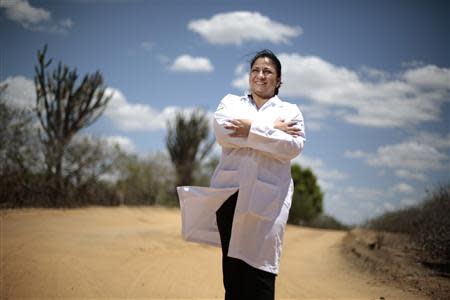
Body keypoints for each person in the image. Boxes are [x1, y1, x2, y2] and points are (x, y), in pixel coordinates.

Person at [177, 49, 306, 300]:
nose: (260, 75)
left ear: (278, 81)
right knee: (233, 277)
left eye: (267, 71)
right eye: (255, 70)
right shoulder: (231, 103)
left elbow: (292, 147)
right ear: (249, 76)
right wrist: (270, 129)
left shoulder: (290, 111)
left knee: (262, 273)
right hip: (230, 196)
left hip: (270, 201)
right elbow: (224, 133)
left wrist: (249, 129)